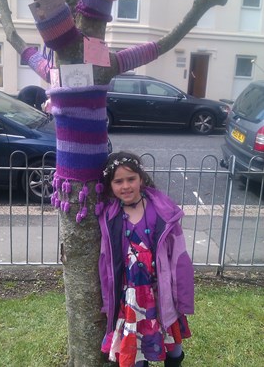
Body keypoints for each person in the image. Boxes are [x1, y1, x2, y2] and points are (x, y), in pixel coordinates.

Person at [98, 151, 194, 367]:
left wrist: (183, 299)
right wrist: (108, 303)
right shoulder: (109, 218)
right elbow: (105, 264)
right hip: (130, 299)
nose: (126, 186)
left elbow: (179, 258)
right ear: (110, 185)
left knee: (173, 347)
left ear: (141, 178)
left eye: (131, 179)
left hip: (162, 293)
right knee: (136, 351)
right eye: (118, 181)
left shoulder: (163, 213)